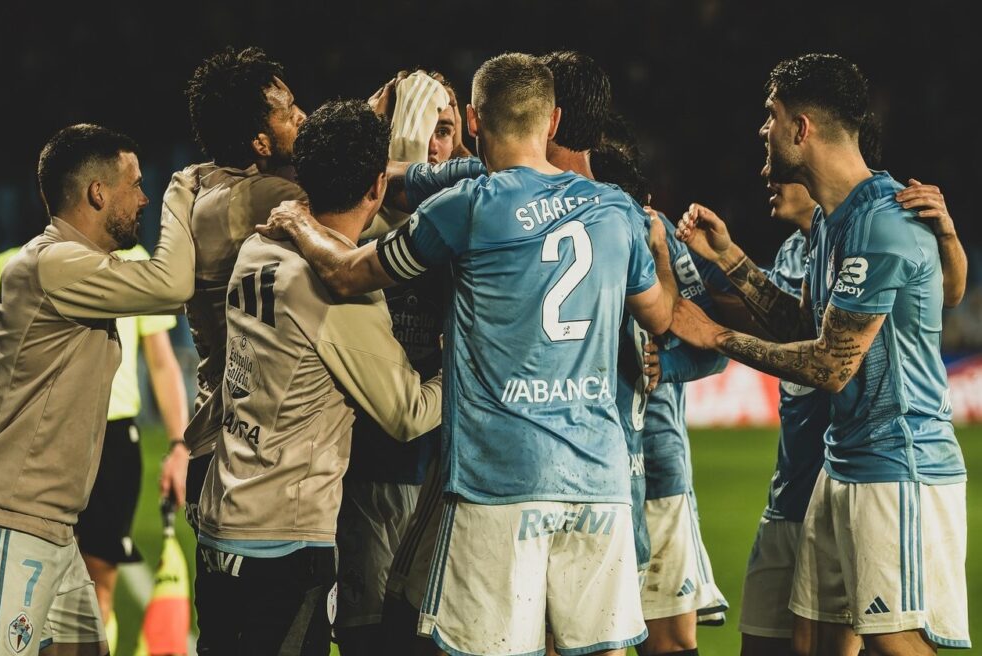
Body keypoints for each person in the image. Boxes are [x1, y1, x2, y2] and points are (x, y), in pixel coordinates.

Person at [262, 52, 678, 656]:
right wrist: (660, 252)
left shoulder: (468, 207)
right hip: (599, 479)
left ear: (476, 123)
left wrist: (298, 222)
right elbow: (660, 316)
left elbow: (349, 275)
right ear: (555, 121)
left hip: (500, 480)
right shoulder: (614, 209)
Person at [672, 53, 970, 654]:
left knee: (896, 642)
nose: (763, 129)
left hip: (897, 464)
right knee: (809, 641)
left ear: (801, 128)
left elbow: (831, 365)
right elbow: (801, 325)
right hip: (845, 465)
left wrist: (715, 335)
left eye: (771, 115)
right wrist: (731, 260)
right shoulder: (835, 221)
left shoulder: (886, 221)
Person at [0, 123, 195, 655]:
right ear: (98, 193)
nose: (145, 196)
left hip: (50, 524)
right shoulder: (53, 263)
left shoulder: (83, 267)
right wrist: (185, 194)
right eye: (137, 183)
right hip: (4, 521)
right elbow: (174, 282)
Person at [194, 99, 442, 655]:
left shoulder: (259, 244)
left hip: (222, 517)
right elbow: (408, 413)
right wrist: (473, 364)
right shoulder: (339, 293)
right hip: (281, 539)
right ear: (378, 186)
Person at [0, 243, 191, 652]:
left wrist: (178, 446)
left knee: (98, 582)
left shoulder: (135, 261)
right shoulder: (15, 262)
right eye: (131, 183)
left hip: (113, 437)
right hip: (36, 438)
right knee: (30, 588)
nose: (140, 197)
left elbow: (161, 361)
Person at [592, 134, 731, 656]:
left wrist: (664, 363)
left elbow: (714, 346)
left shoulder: (661, 235)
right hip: (584, 473)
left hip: (657, 470)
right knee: (584, 635)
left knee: (670, 639)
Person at [335, 70, 457, 656]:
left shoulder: (473, 223)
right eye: (421, 130)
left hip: (446, 470)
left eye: (446, 130)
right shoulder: (351, 230)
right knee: (365, 634)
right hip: (369, 459)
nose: (435, 146)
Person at [180, 45, 309, 529]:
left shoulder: (212, 184)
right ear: (259, 143)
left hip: (220, 440)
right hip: (239, 447)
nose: (303, 116)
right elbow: (361, 194)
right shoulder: (258, 197)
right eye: (288, 112)